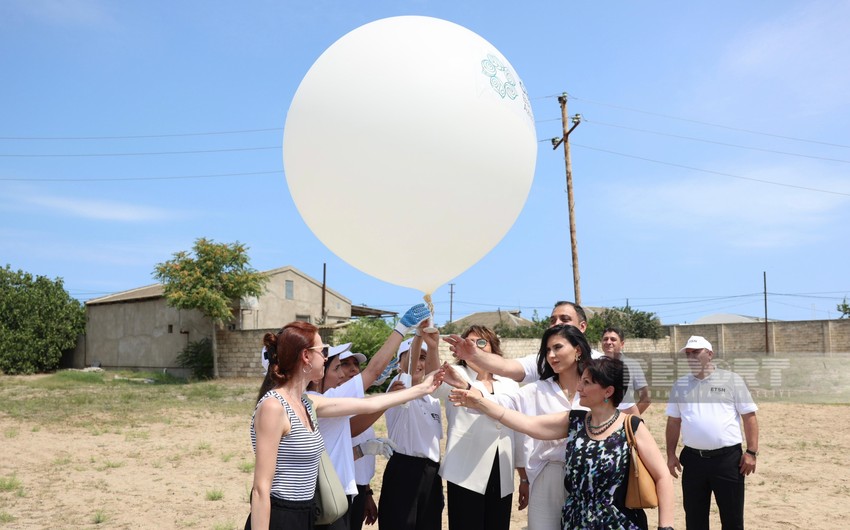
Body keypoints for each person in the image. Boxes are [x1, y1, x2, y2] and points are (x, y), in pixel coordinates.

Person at [248, 316, 442, 530]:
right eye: (321, 351)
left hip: (307, 512)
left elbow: (369, 406)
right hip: (281, 515)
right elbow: (260, 489)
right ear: (305, 356)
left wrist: (422, 388)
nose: (325, 358)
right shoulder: (274, 407)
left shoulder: (308, 402)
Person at [449, 356, 675, 530]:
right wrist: (478, 401)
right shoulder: (575, 420)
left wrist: (666, 526)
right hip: (576, 522)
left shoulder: (632, 427)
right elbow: (525, 423)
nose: (579, 388)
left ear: (608, 391)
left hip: (619, 523)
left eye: (587, 383)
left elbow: (662, 476)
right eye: (581, 381)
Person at [307, 304, 430, 530]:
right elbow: (372, 373)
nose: (345, 372)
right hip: (328, 494)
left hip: (346, 490)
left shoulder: (316, 399)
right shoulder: (320, 400)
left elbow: (337, 449)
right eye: (338, 367)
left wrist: (366, 486)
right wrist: (404, 328)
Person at [445, 301, 640, 415]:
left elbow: (630, 416)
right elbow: (505, 367)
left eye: (564, 319)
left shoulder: (606, 367)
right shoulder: (541, 368)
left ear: (582, 327)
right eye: (552, 320)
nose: (556, 324)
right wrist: (475, 356)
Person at [666, 336, 759, 530]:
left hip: (728, 460)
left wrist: (751, 452)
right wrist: (670, 454)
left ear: (709, 354)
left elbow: (749, 416)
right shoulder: (680, 385)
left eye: (696, 352)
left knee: (732, 517)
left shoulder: (731, 380)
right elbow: (674, 421)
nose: (691, 357)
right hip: (693, 460)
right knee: (694, 517)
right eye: (688, 353)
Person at [435, 326, 522, 530]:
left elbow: (517, 425)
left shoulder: (509, 383)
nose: (475, 347)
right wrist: (432, 346)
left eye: (481, 342)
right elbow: (437, 381)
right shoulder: (456, 375)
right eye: (469, 342)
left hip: (502, 469)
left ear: (494, 348)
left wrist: (524, 476)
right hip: (466, 470)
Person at [378, 334, 444, 530]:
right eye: (414, 357)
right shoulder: (398, 387)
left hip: (431, 474)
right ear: (399, 363)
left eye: (423, 358)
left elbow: (434, 373)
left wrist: (433, 347)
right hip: (404, 471)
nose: (419, 363)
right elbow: (408, 369)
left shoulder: (433, 400)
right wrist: (419, 335)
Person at [601, 326, 651, 413]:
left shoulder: (632, 365)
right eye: (605, 339)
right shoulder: (594, 365)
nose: (608, 342)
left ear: (622, 344)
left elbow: (645, 399)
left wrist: (630, 420)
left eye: (613, 339)